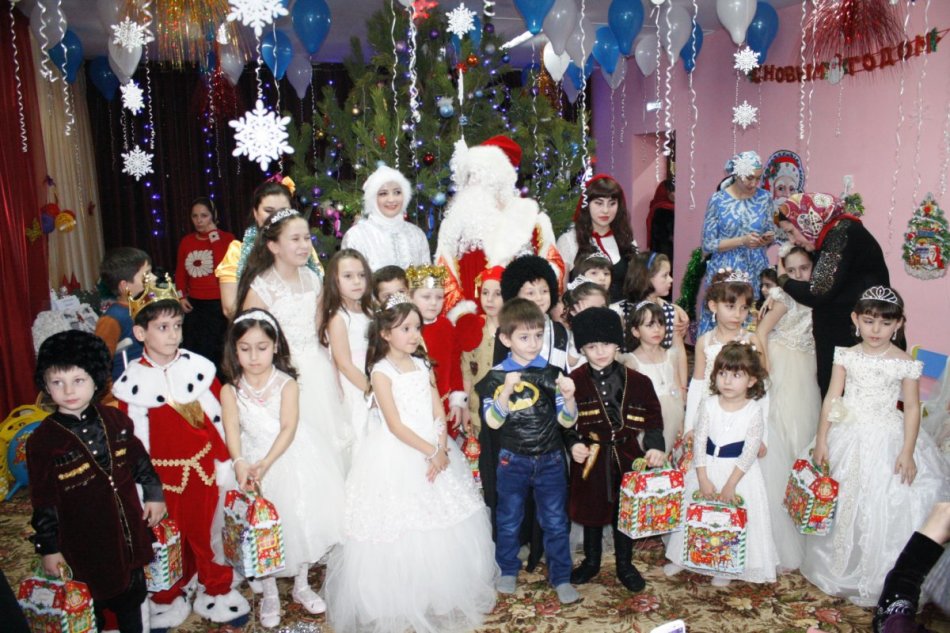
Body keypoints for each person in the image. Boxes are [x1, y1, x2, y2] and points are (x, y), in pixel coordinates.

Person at [325, 296, 497, 633]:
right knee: (402, 526)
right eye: (405, 328)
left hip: (435, 445)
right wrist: (430, 452)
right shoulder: (380, 372)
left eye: (417, 327)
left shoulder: (423, 364)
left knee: (443, 519)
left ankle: (440, 592)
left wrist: (442, 446)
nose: (414, 334)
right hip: (398, 452)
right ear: (386, 333)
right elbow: (395, 424)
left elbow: (437, 409)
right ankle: (400, 597)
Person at [800, 287, 950, 607]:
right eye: (869, 322)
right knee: (841, 496)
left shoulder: (904, 363)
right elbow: (833, 397)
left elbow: (911, 407)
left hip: (887, 434)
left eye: (884, 324)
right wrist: (823, 438)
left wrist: (907, 451)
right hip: (847, 433)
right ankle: (837, 565)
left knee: (883, 498)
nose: (876, 331)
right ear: (856, 319)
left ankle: (881, 573)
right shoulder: (845, 355)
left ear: (899, 324)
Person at [113, 279, 249, 628]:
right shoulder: (133, 381)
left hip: (204, 471)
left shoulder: (197, 367)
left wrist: (228, 462)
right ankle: (168, 595)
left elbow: (218, 419)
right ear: (141, 333)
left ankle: (216, 588)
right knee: (168, 539)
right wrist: (145, 488)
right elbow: (134, 440)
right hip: (163, 481)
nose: (173, 335)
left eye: (176, 326)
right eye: (162, 327)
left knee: (208, 532)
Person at [27, 330, 165, 633]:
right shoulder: (42, 441)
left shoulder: (115, 420)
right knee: (91, 609)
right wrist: (49, 547)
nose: (69, 390)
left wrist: (154, 494)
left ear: (95, 379)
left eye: (78, 380)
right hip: (83, 543)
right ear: (46, 386)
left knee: (132, 600)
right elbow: (43, 499)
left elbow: (139, 460)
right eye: (57, 382)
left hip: (127, 530)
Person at [220, 309, 344, 628]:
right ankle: (271, 591)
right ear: (234, 350)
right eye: (245, 348)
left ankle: (302, 584)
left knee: (300, 520)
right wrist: (240, 461)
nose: (254, 356)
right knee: (262, 528)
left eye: (262, 347)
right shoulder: (230, 389)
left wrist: (267, 462)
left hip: (288, 456)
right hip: (250, 460)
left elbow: (288, 427)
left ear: (275, 346)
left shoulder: (286, 383)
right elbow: (232, 430)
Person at [476, 298, 580, 604]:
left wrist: (570, 398)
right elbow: (493, 422)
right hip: (513, 460)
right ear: (506, 339)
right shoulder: (495, 376)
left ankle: (561, 575)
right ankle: (507, 569)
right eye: (524, 337)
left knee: (555, 521)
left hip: (550, 459)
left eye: (538, 335)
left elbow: (566, 420)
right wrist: (505, 390)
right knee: (508, 519)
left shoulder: (552, 373)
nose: (533, 343)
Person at [235, 208, 350, 470]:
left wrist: (335, 372)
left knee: (326, 443)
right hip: (282, 373)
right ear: (273, 245)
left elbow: (322, 334)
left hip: (317, 369)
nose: (303, 246)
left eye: (307, 239)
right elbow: (247, 342)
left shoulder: (313, 279)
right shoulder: (260, 288)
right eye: (295, 239)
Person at [566, 307, 666, 593]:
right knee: (592, 510)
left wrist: (656, 447)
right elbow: (564, 423)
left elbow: (654, 419)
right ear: (582, 347)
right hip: (591, 458)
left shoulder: (639, 381)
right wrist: (573, 444)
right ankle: (592, 561)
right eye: (592, 346)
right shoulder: (573, 382)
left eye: (607, 344)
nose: (600, 352)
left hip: (628, 457)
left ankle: (625, 564)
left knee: (626, 511)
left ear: (618, 344)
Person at [664, 342, 779, 586]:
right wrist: (703, 477)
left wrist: (731, 484)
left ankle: (725, 566)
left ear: (751, 381)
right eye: (722, 373)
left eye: (736, 375)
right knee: (694, 513)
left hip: (738, 474)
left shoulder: (753, 410)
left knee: (729, 519)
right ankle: (682, 557)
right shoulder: (709, 404)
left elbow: (749, 451)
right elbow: (700, 441)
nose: (727, 381)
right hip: (706, 467)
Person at [775, 192, 890, 397]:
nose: (793, 240)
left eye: (792, 232)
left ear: (806, 220)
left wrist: (783, 280)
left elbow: (817, 292)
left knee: (843, 402)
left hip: (853, 338)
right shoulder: (835, 233)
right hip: (847, 335)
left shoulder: (839, 235)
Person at [436, 135, 564, 315]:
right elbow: (444, 273)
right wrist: (461, 315)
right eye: (472, 176)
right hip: (473, 325)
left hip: (521, 323)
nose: (474, 182)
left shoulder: (534, 220)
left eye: (481, 176)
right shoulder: (455, 222)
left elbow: (553, 268)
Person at [215, 178, 321, 317]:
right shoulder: (237, 252)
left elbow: (318, 294)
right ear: (255, 213)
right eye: (268, 211)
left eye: (283, 211)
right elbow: (230, 308)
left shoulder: (303, 249)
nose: (275, 217)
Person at [698, 151, 776, 336]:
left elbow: (770, 230)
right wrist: (742, 240)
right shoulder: (718, 200)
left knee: (749, 322)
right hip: (725, 271)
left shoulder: (764, 198)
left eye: (758, 179)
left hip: (755, 269)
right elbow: (708, 243)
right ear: (737, 174)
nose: (754, 184)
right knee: (724, 320)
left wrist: (767, 238)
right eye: (749, 178)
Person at [756, 245, 820, 458]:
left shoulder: (818, 293)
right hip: (782, 358)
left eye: (804, 268)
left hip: (808, 360)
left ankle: (799, 466)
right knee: (783, 413)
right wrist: (765, 363)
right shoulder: (785, 298)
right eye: (791, 271)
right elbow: (761, 331)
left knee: (804, 414)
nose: (798, 275)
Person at [684, 268, 766, 436]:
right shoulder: (704, 342)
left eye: (744, 308)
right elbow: (697, 385)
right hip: (709, 415)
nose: (737, 314)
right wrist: (689, 427)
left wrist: (762, 436)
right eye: (730, 306)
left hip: (742, 416)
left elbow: (762, 387)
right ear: (713, 305)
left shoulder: (752, 341)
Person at [321, 249, 375, 449]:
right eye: (348, 276)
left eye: (361, 275)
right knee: (363, 433)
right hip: (357, 383)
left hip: (374, 373)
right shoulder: (338, 317)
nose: (357, 281)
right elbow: (343, 364)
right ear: (335, 280)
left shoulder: (369, 310)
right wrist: (371, 390)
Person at [407, 264, 469, 438]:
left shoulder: (447, 326)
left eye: (439, 297)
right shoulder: (405, 329)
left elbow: (456, 363)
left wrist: (457, 399)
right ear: (411, 297)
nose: (434, 303)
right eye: (426, 297)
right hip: (415, 407)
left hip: (444, 404)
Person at [175, 197, 235, 369]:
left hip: (220, 304)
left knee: (219, 350)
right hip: (195, 305)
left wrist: (214, 237)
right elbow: (180, 272)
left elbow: (222, 266)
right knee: (195, 350)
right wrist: (181, 296)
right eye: (195, 216)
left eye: (204, 215)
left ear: (213, 216)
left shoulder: (227, 239)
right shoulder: (187, 241)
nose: (199, 220)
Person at [556, 175, 638, 301]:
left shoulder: (626, 240)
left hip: (624, 316)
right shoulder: (569, 241)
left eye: (612, 203)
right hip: (583, 317)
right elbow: (560, 295)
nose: (605, 210)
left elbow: (639, 286)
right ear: (586, 204)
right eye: (598, 203)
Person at [620, 301, 687, 451]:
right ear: (636, 331)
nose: (657, 330)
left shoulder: (671, 355)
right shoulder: (632, 361)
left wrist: (681, 421)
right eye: (650, 325)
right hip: (647, 421)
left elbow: (676, 388)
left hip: (673, 417)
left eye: (660, 324)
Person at [340, 165, 431, 271]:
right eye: (383, 193)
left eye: (397, 192)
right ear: (373, 198)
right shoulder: (356, 236)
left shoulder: (416, 234)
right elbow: (350, 281)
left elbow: (427, 278)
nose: (391, 199)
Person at [615, 252, 689, 376]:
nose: (671, 279)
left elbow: (679, 354)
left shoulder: (670, 312)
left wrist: (682, 387)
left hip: (663, 376)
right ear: (647, 278)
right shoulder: (622, 311)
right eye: (665, 275)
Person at [94, 247, 151, 381]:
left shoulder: (143, 308)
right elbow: (101, 361)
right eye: (146, 275)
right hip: (127, 387)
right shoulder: (112, 318)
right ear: (125, 286)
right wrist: (109, 397)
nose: (151, 278)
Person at [461, 266, 505, 434]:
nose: (489, 299)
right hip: (477, 412)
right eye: (485, 293)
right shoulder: (473, 328)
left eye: (497, 294)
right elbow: (466, 372)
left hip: (505, 411)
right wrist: (465, 408)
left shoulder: (514, 330)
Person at [646, 178, 675, 265]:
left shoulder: (669, 207)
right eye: (672, 191)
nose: (675, 194)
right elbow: (661, 237)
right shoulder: (663, 209)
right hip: (665, 253)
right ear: (665, 193)